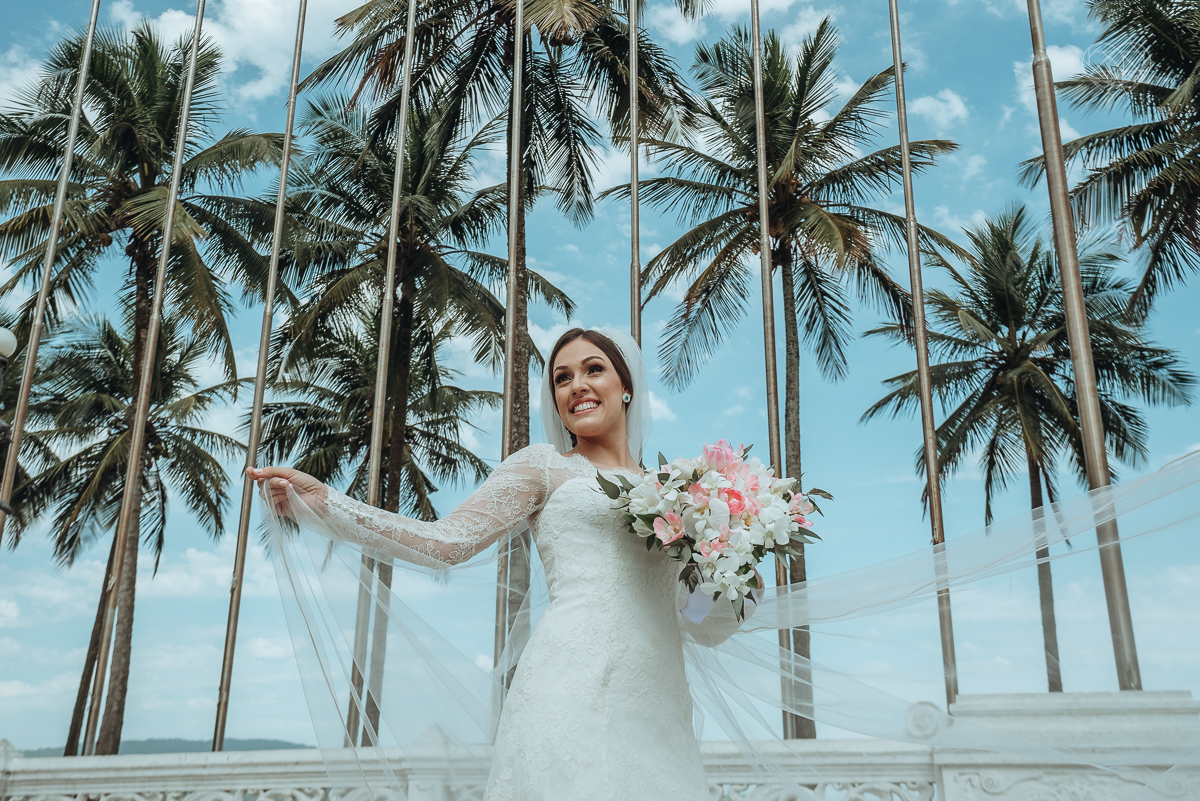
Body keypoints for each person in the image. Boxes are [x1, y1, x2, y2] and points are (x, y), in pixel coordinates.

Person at [249, 327, 725, 800]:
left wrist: (735, 573)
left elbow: (696, 617)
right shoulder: (544, 467)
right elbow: (446, 544)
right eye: (562, 378)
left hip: (660, 699)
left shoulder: (680, 496)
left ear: (626, 387)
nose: (576, 386)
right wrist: (328, 504)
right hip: (572, 685)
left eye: (593, 369)